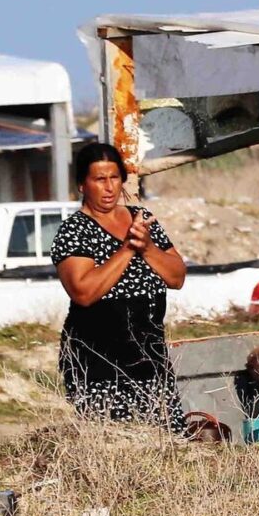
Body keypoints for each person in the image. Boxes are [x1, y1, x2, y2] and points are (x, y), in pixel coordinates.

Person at [52, 141, 189, 430]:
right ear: (82, 185)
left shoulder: (140, 218)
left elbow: (176, 277)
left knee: (166, 440)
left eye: (114, 178)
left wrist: (147, 247)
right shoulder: (74, 230)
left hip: (150, 357)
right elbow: (83, 292)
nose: (109, 187)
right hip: (98, 362)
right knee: (116, 442)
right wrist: (127, 249)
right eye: (99, 179)